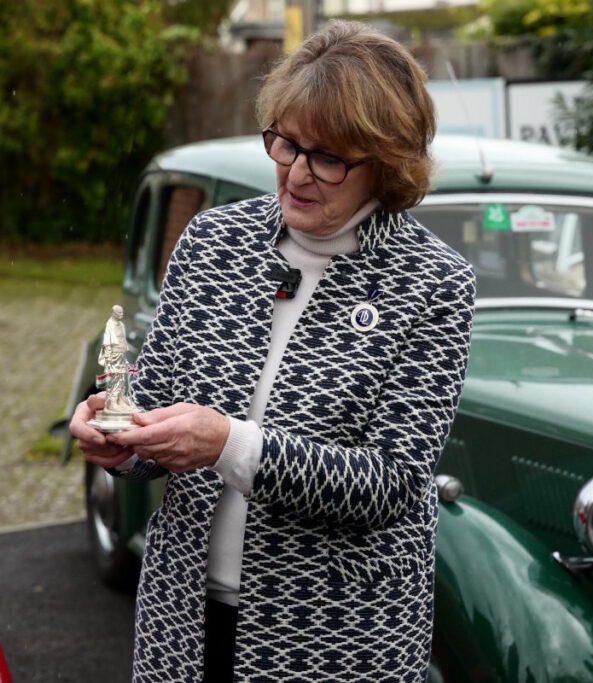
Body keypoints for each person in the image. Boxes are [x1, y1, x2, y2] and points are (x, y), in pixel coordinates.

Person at [70, 20, 475, 682]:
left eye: (329, 157)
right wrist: (121, 432)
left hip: (337, 642)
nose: (297, 172)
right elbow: (157, 393)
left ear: (388, 163)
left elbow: (392, 483)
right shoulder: (212, 242)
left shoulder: (433, 283)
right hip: (185, 624)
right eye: (285, 143)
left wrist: (230, 444)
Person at [97, 305, 135, 414]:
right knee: (114, 379)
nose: (121, 315)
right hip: (113, 355)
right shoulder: (110, 324)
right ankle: (112, 403)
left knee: (122, 379)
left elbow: (123, 340)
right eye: (119, 313)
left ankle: (120, 401)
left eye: (122, 313)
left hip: (121, 354)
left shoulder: (122, 325)